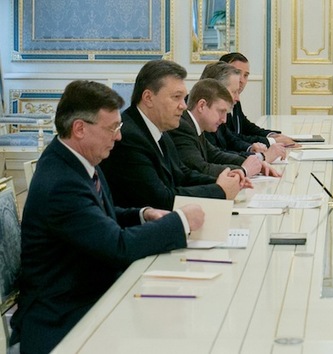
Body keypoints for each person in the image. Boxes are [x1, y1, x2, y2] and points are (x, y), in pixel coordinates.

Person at [9, 80, 205, 353]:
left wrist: (142, 214)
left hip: (88, 294)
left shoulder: (79, 160)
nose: (119, 137)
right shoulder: (61, 183)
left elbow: (102, 218)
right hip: (63, 317)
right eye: (112, 128)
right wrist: (181, 221)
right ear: (80, 129)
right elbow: (117, 247)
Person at [100, 59, 245, 210]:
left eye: (183, 98)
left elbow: (181, 174)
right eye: (176, 97)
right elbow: (161, 200)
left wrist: (221, 181)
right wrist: (219, 190)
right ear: (148, 98)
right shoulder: (130, 138)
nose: (183, 106)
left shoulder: (159, 129)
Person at [169, 78, 279, 178]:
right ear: (202, 106)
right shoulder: (183, 127)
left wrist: (256, 162)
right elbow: (200, 169)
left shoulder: (194, 125)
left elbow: (216, 155)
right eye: (221, 111)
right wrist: (244, 170)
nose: (224, 120)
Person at [205, 52, 297, 152]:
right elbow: (230, 141)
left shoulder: (234, 99)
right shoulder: (207, 109)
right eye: (237, 73)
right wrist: (269, 143)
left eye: (246, 75)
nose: (241, 80)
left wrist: (273, 136)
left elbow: (245, 127)